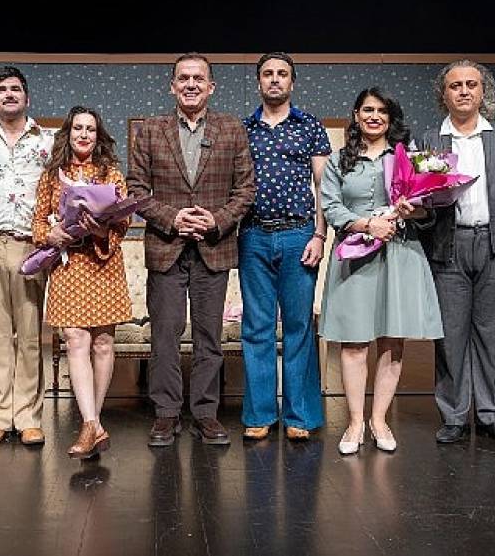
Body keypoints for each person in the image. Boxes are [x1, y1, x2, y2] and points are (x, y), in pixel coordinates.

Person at [126, 53, 255, 446]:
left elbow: (245, 190)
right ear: (172, 86)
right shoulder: (151, 130)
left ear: (211, 86)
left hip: (213, 247)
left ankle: (205, 413)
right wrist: (173, 218)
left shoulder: (232, 128)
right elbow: (136, 191)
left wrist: (215, 220)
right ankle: (166, 414)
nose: (191, 84)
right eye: (183, 78)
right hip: (166, 247)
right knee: (164, 336)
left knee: (208, 337)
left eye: (199, 78)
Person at [319, 87, 444, 454]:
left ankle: (379, 419)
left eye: (382, 111)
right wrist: (366, 225)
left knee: (392, 340)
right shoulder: (339, 160)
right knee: (354, 341)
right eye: (367, 110)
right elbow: (331, 207)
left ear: (391, 118)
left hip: (399, 255)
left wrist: (412, 210)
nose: (374, 116)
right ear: (356, 115)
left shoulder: (410, 157)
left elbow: (429, 208)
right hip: (355, 256)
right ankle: (355, 422)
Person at [421, 60, 495, 447]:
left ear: (483, 91)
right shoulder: (428, 142)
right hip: (447, 247)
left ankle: (492, 415)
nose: (464, 91)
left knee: (493, 334)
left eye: (471, 84)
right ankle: (454, 416)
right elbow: (416, 200)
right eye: (455, 85)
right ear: (444, 94)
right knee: (450, 336)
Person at [239, 52, 331, 442]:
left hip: (299, 235)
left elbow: (324, 186)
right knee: (257, 327)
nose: (274, 79)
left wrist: (319, 235)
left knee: (298, 326)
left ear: (292, 82)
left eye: (282, 74)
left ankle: (299, 416)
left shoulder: (309, 125)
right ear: (258, 81)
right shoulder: (243, 129)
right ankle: (260, 413)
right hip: (254, 236)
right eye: (267, 74)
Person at [31, 106, 132, 459]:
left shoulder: (112, 174)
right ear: (68, 133)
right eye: (78, 128)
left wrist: (101, 229)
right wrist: (52, 234)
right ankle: (91, 423)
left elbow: (123, 223)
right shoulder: (51, 176)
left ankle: (93, 424)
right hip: (69, 264)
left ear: (98, 135)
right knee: (76, 339)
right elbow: (37, 224)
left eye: (90, 129)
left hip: (103, 265)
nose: (84, 134)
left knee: (102, 343)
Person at [0, 66, 55, 447]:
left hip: (30, 245)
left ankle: (28, 417)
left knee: (30, 335)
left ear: (27, 97)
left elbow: (61, 192)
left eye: (15, 89)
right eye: (1, 90)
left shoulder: (48, 141)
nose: (9, 94)